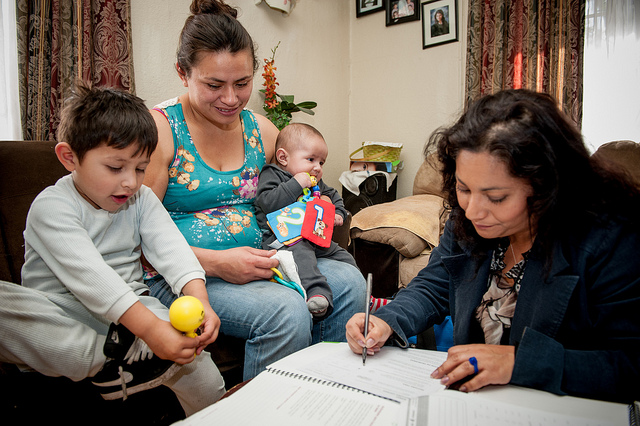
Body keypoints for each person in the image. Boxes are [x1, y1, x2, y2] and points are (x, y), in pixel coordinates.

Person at [346, 89, 640, 403]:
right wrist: (387, 321)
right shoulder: (466, 221)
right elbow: (435, 284)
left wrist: (519, 363)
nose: (473, 211)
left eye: (496, 197)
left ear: (548, 185)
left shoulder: (612, 238)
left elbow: (631, 364)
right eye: (463, 188)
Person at [143, 0, 366, 381]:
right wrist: (216, 263)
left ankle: (324, 394)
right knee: (284, 311)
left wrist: (324, 210)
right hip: (182, 273)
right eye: (214, 85)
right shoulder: (159, 131)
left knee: (350, 283)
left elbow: (292, 190)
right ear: (183, 73)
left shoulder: (260, 131)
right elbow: (136, 231)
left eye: (242, 83)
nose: (230, 99)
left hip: (264, 258)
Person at [0, 83, 225, 416]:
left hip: (132, 313)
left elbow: (172, 249)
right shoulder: (52, 207)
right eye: (116, 168)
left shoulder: (141, 198)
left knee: (194, 359)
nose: (131, 183)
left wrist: (199, 300)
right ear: (69, 158)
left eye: (140, 168)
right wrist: (149, 331)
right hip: (63, 313)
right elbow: (92, 278)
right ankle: (104, 360)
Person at [255, 123, 359, 320]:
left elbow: (333, 194)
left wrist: (338, 212)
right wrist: (296, 184)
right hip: (283, 240)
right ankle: (316, 294)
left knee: (344, 257)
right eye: (311, 159)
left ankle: (362, 296)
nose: (317, 168)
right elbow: (267, 202)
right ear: (283, 157)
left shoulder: (315, 181)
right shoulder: (273, 174)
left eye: (321, 162)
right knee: (303, 258)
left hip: (312, 235)